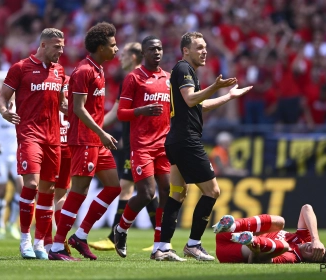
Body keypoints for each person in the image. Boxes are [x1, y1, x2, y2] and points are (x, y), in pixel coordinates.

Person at [154, 31, 253, 262]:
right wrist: (215, 87)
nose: (204, 50)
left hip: (176, 139)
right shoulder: (183, 69)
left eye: (205, 46)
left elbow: (199, 105)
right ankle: (194, 244)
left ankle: (162, 247)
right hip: (187, 140)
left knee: (177, 194)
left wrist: (228, 96)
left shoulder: (186, 73)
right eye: (199, 47)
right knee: (213, 191)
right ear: (185, 50)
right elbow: (191, 99)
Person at [48, 22, 121, 261]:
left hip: (96, 141)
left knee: (113, 187)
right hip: (84, 140)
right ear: (100, 47)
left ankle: (80, 235)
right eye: (112, 45)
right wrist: (101, 132)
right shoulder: (83, 71)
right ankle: (58, 246)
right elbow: (77, 109)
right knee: (78, 191)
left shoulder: (98, 69)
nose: (116, 49)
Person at [0, 28, 66, 259]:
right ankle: (24, 239)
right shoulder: (20, 68)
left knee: (48, 190)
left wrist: (81, 109)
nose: (61, 50)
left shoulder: (60, 71)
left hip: (53, 138)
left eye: (63, 46)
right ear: (44, 45)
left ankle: (39, 244)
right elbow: (2, 98)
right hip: (29, 135)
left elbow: (63, 104)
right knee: (32, 185)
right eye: (57, 46)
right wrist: (5, 112)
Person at [88, 42, 159, 251]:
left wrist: (93, 126)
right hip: (132, 140)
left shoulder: (138, 78)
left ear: (136, 56)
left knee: (134, 188)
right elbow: (122, 113)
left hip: (140, 143)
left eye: (125, 54)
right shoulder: (133, 78)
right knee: (140, 189)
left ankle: (115, 236)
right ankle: (160, 238)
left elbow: (117, 112)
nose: (120, 57)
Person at [113, 35, 171, 259]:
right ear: (143, 53)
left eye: (160, 49)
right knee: (147, 194)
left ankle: (159, 246)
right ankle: (121, 229)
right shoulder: (133, 78)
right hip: (142, 145)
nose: (157, 52)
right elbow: (121, 113)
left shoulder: (168, 78)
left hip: (163, 144)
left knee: (167, 192)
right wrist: (141, 111)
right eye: (152, 49)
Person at [214, 204, 326, 264]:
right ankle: (233, 226)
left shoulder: (290, 258)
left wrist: (254, 248)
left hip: (230, 250)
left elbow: (255, 261)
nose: (312, 248)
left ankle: (251, 239)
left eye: (315, 253)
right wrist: (315, 239)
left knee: (284, 246)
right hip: (226, 233)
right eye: (316, 248)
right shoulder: (304, 238)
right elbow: (306, 208)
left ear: (310, 260)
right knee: (280, 222)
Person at [44, 75, 71, 254]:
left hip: (52, 144)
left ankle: (48, 242)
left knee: (46, 195)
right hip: (66, 145)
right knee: (59, 197)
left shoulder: (44, 85)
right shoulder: (74, 83)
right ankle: (58, 242)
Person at [0, 96, 21, 240]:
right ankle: (0, 226)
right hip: (1, 153)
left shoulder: (21, 105)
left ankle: (13, 224)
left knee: (22, 187)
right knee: (1, 190)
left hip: (17, 152)